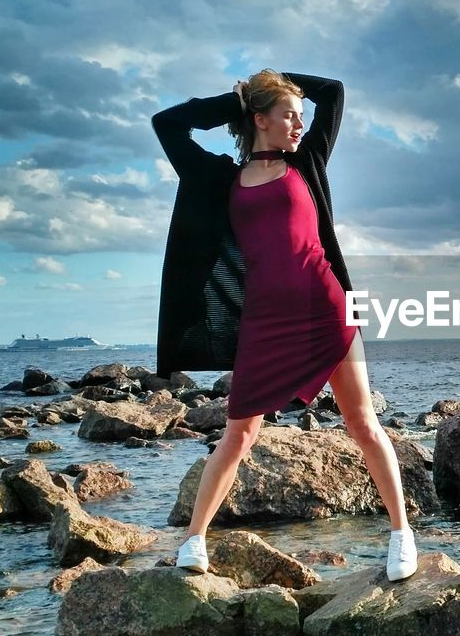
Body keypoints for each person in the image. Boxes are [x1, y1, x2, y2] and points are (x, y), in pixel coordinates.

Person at [150, 69, 417, 582]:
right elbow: (168, 124)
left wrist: (277, 80)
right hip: (265, 321)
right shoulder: (221, 177)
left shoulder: (307, 162)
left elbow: (334, 92)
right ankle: (194, 540)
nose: (299, 123)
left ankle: (401, 534)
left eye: (300, 115)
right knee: (239, 432)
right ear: (259, 120)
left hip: (326, 309)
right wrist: (232, 103)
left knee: (361, 422)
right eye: (288, 115)